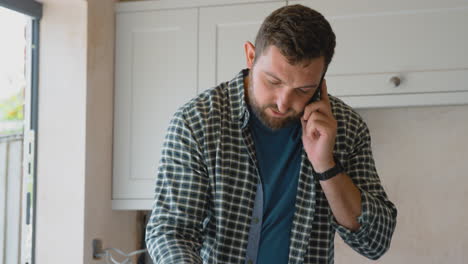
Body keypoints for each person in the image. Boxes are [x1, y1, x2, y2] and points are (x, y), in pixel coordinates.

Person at [145, 4, 397, 264]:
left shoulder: (345, 127)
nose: (283, 102)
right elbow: (171, 232)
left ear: (321, 82)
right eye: (273, 82)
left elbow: (374, 242)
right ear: (250, 55)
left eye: (303, 89)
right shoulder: (197, 122)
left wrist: (326, 165)